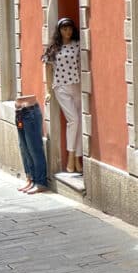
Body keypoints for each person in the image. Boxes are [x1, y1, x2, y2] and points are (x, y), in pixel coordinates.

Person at [42, 17, 83, 173]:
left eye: (70, 28)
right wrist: (48, 90)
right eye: (64, 29)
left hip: (77, 86)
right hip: (61, 87)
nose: (68, 31)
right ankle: (71, 157)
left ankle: (77, 160)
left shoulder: (77, 45)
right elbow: (47, 68)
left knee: (79, 122)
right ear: (59, 31)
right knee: (74, 120)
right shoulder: (54, 49)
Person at [14, 94, 48, 194]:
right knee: (24, 149)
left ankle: (41, 182)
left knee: (34, 149)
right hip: (20, 113)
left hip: (30, 112)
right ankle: (31, 179)